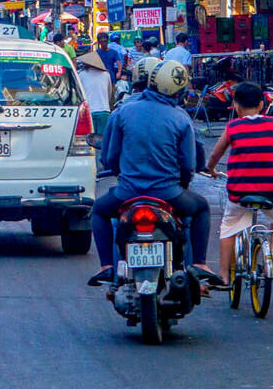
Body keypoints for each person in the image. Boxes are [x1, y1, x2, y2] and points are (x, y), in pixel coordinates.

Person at [89, 60, 222, 289]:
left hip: (127, 192)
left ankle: (106, 267)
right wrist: (182, 184)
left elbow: (109, 158)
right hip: (168, 193)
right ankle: (200, 263)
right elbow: (188, 164)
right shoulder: (181, 118)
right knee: (200, 208)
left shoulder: (122, 112)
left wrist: (123, 173)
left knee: (99, 211)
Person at [205, 82, 273, 280]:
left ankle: (225, 276)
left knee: (228, 227)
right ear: (262, 104)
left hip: (240, 189)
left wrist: (211, 169)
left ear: (236, 106)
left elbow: (216, 153)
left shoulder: (233, 127)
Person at [76, 51, 112, 136]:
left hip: (89, 111)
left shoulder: (81, 75)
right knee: (102, 140)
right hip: (104, 110)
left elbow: (79, 94)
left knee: (90, 140)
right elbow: (109, 93)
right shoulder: (106, 75)